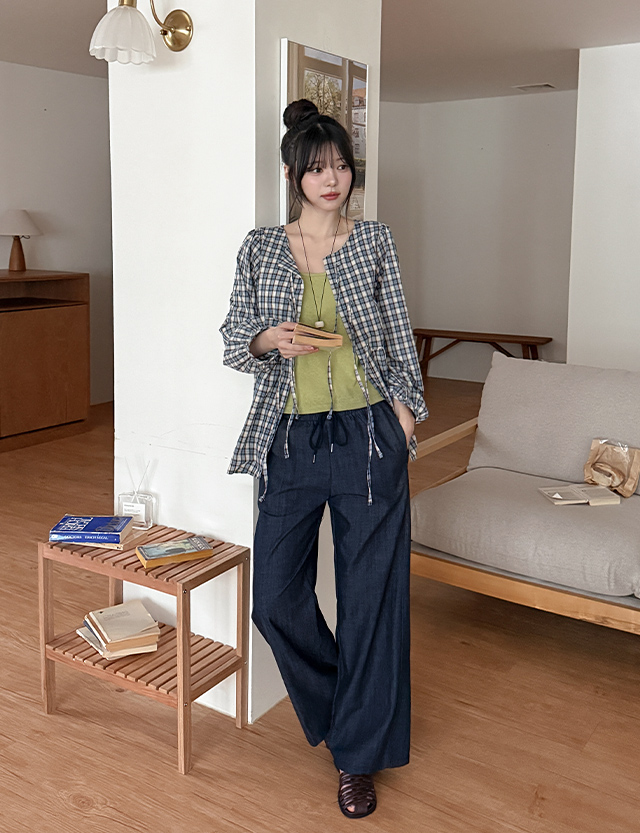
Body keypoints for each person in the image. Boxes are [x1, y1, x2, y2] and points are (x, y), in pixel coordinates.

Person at [220, 99, 427, 819]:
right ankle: (352, 709)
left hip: (370, 433)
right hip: (289, 438)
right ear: (293, 177)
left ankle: (356, 757)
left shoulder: (373, 241)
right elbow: (233, 336)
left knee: (372, 599)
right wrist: (268, 339)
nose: (331, 179)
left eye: (340, 166)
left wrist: (406, 411)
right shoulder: (260, 246)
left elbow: (398, 328)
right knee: (274, 598)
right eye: (316, 169)